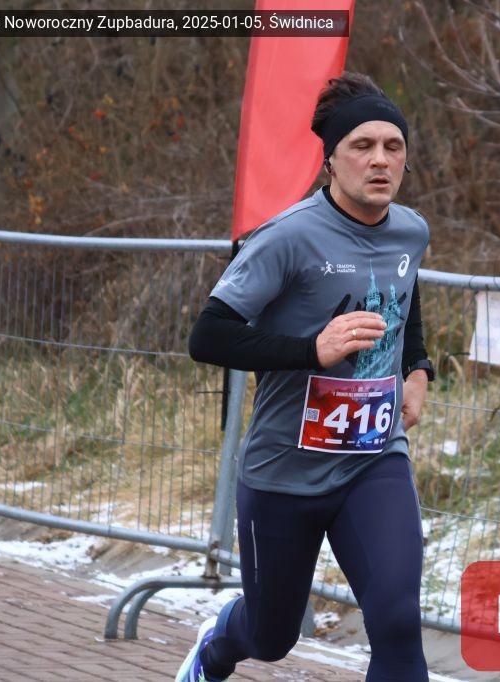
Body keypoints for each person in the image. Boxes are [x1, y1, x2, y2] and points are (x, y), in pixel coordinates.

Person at [176, 72, 435, 682]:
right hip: (284, 470)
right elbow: (208, 337)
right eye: (361, 146)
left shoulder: (411, 231)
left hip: (373, 458)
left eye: (393, 147)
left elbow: (404, 296)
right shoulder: (287, 237)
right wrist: (311, 351)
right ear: (330, 160)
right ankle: (216, 646)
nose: (380, 160)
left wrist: (418, 368)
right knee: (271, 635)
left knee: (398, 622)